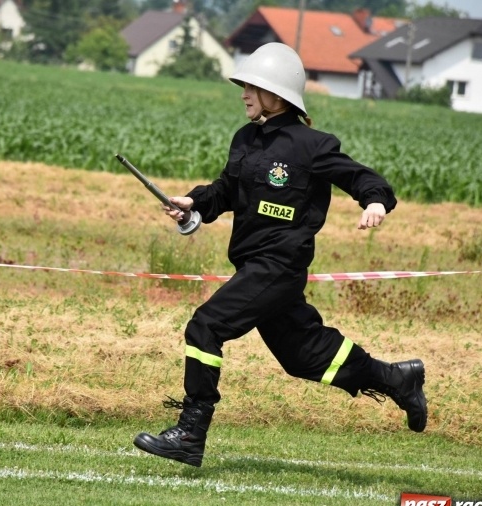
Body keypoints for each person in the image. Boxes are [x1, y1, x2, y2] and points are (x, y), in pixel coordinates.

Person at [132, 42, 427, 468]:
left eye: (251, 86)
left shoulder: (313, 145)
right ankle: (398, 379)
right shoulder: (245, 139)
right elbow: (226, 192)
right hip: (254, 267)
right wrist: (193, 202)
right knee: (305, 358)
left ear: (276, 93)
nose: (243, 93)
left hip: (280, 266)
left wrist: (375, 202)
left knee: (206, 326)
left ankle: (190, 432)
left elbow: (362, 177)